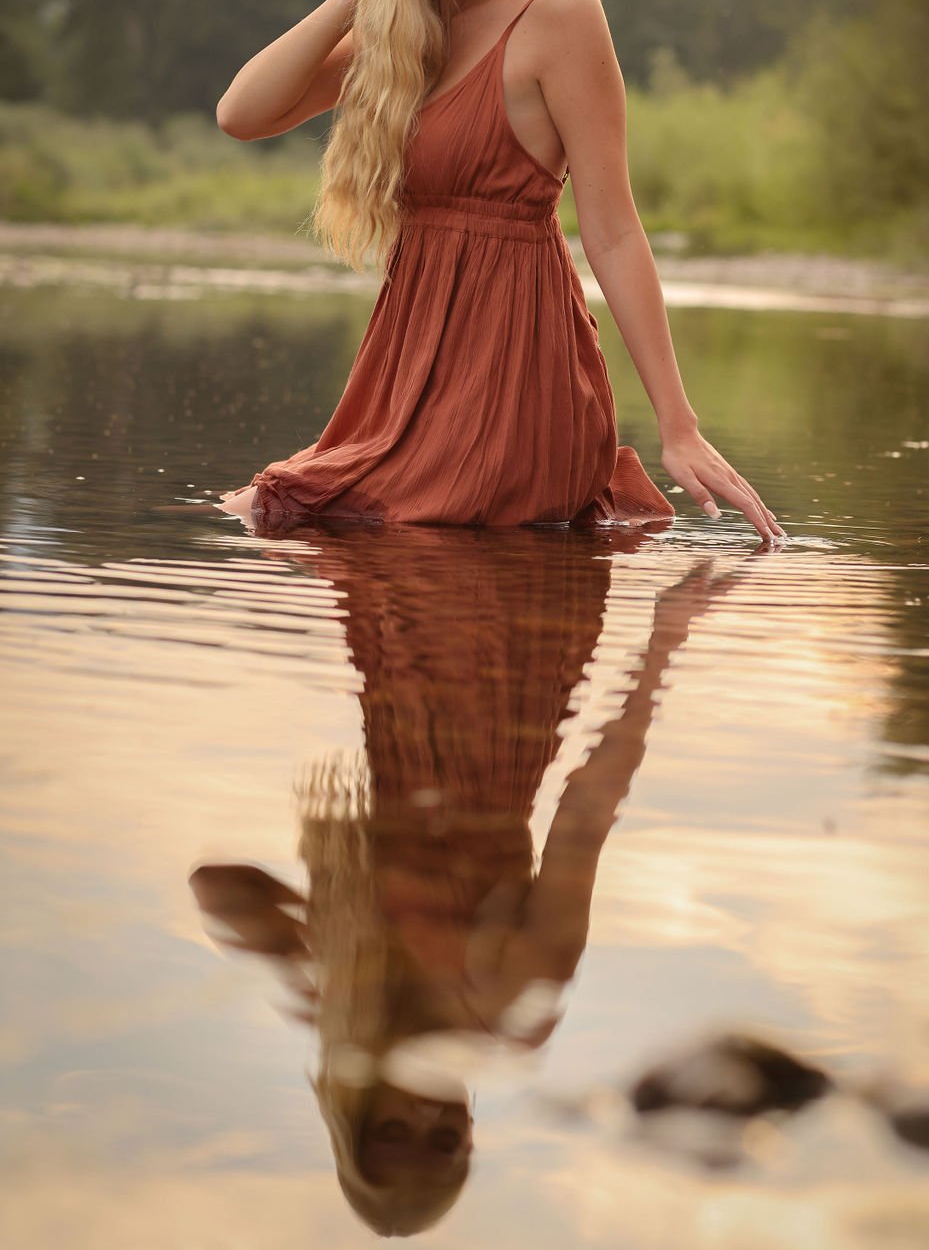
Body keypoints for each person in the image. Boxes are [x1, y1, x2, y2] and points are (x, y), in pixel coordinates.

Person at [213, 0, 783, 544]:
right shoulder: (401, 32)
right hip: (406, 372)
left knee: (374, 526)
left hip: (522, 370)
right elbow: (242, 113)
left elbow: (613, 231)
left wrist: (678, 425)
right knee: (276, 514)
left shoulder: (563, 16)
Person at [189, 519, 743, 1235]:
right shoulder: (511, 1008)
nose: (425, 1116)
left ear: (354, 1113)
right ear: (471, 1130)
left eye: (394, 1132)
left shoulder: (344, 991)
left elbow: (215, 883)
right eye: (444, 1141)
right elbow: (581, 823)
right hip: (516, 669)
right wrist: (664, 642)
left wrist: (319, 977)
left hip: (396, 657)